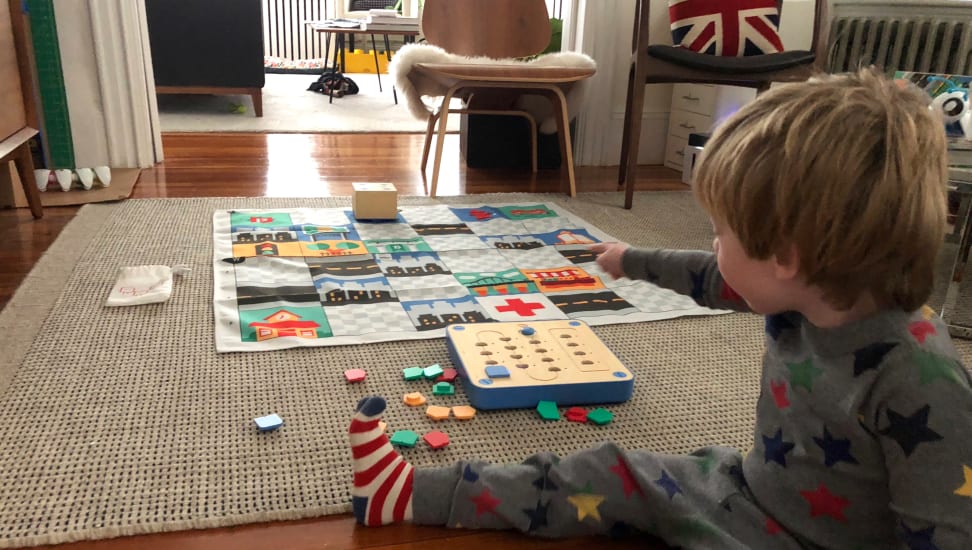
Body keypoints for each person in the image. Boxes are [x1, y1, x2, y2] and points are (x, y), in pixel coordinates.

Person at [347, 69, 972, 548]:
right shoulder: (811, 293)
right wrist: (628, 258)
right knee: (605, 471)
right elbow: (708, 277)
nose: (712, 244)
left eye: (720, 231)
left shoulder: (922, 378)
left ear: (784, 254)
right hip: (744, 488)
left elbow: (948, 529)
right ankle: (403, 493)